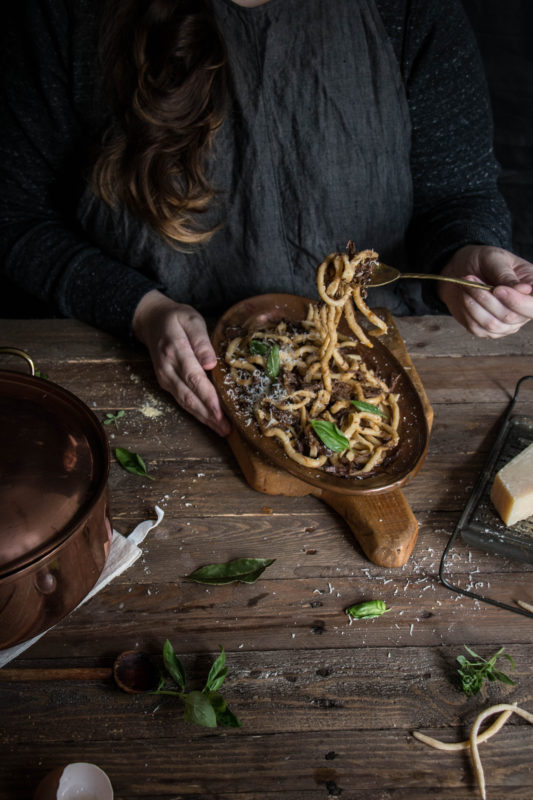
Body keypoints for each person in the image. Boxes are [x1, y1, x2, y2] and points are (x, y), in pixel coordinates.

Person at [1, 0, 532, 439]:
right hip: (155, 379)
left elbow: (458, 194)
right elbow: (14, 217)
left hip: (379, 369)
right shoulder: (68, 17)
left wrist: (466, 255)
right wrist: (138, 309)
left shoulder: (411, 9)